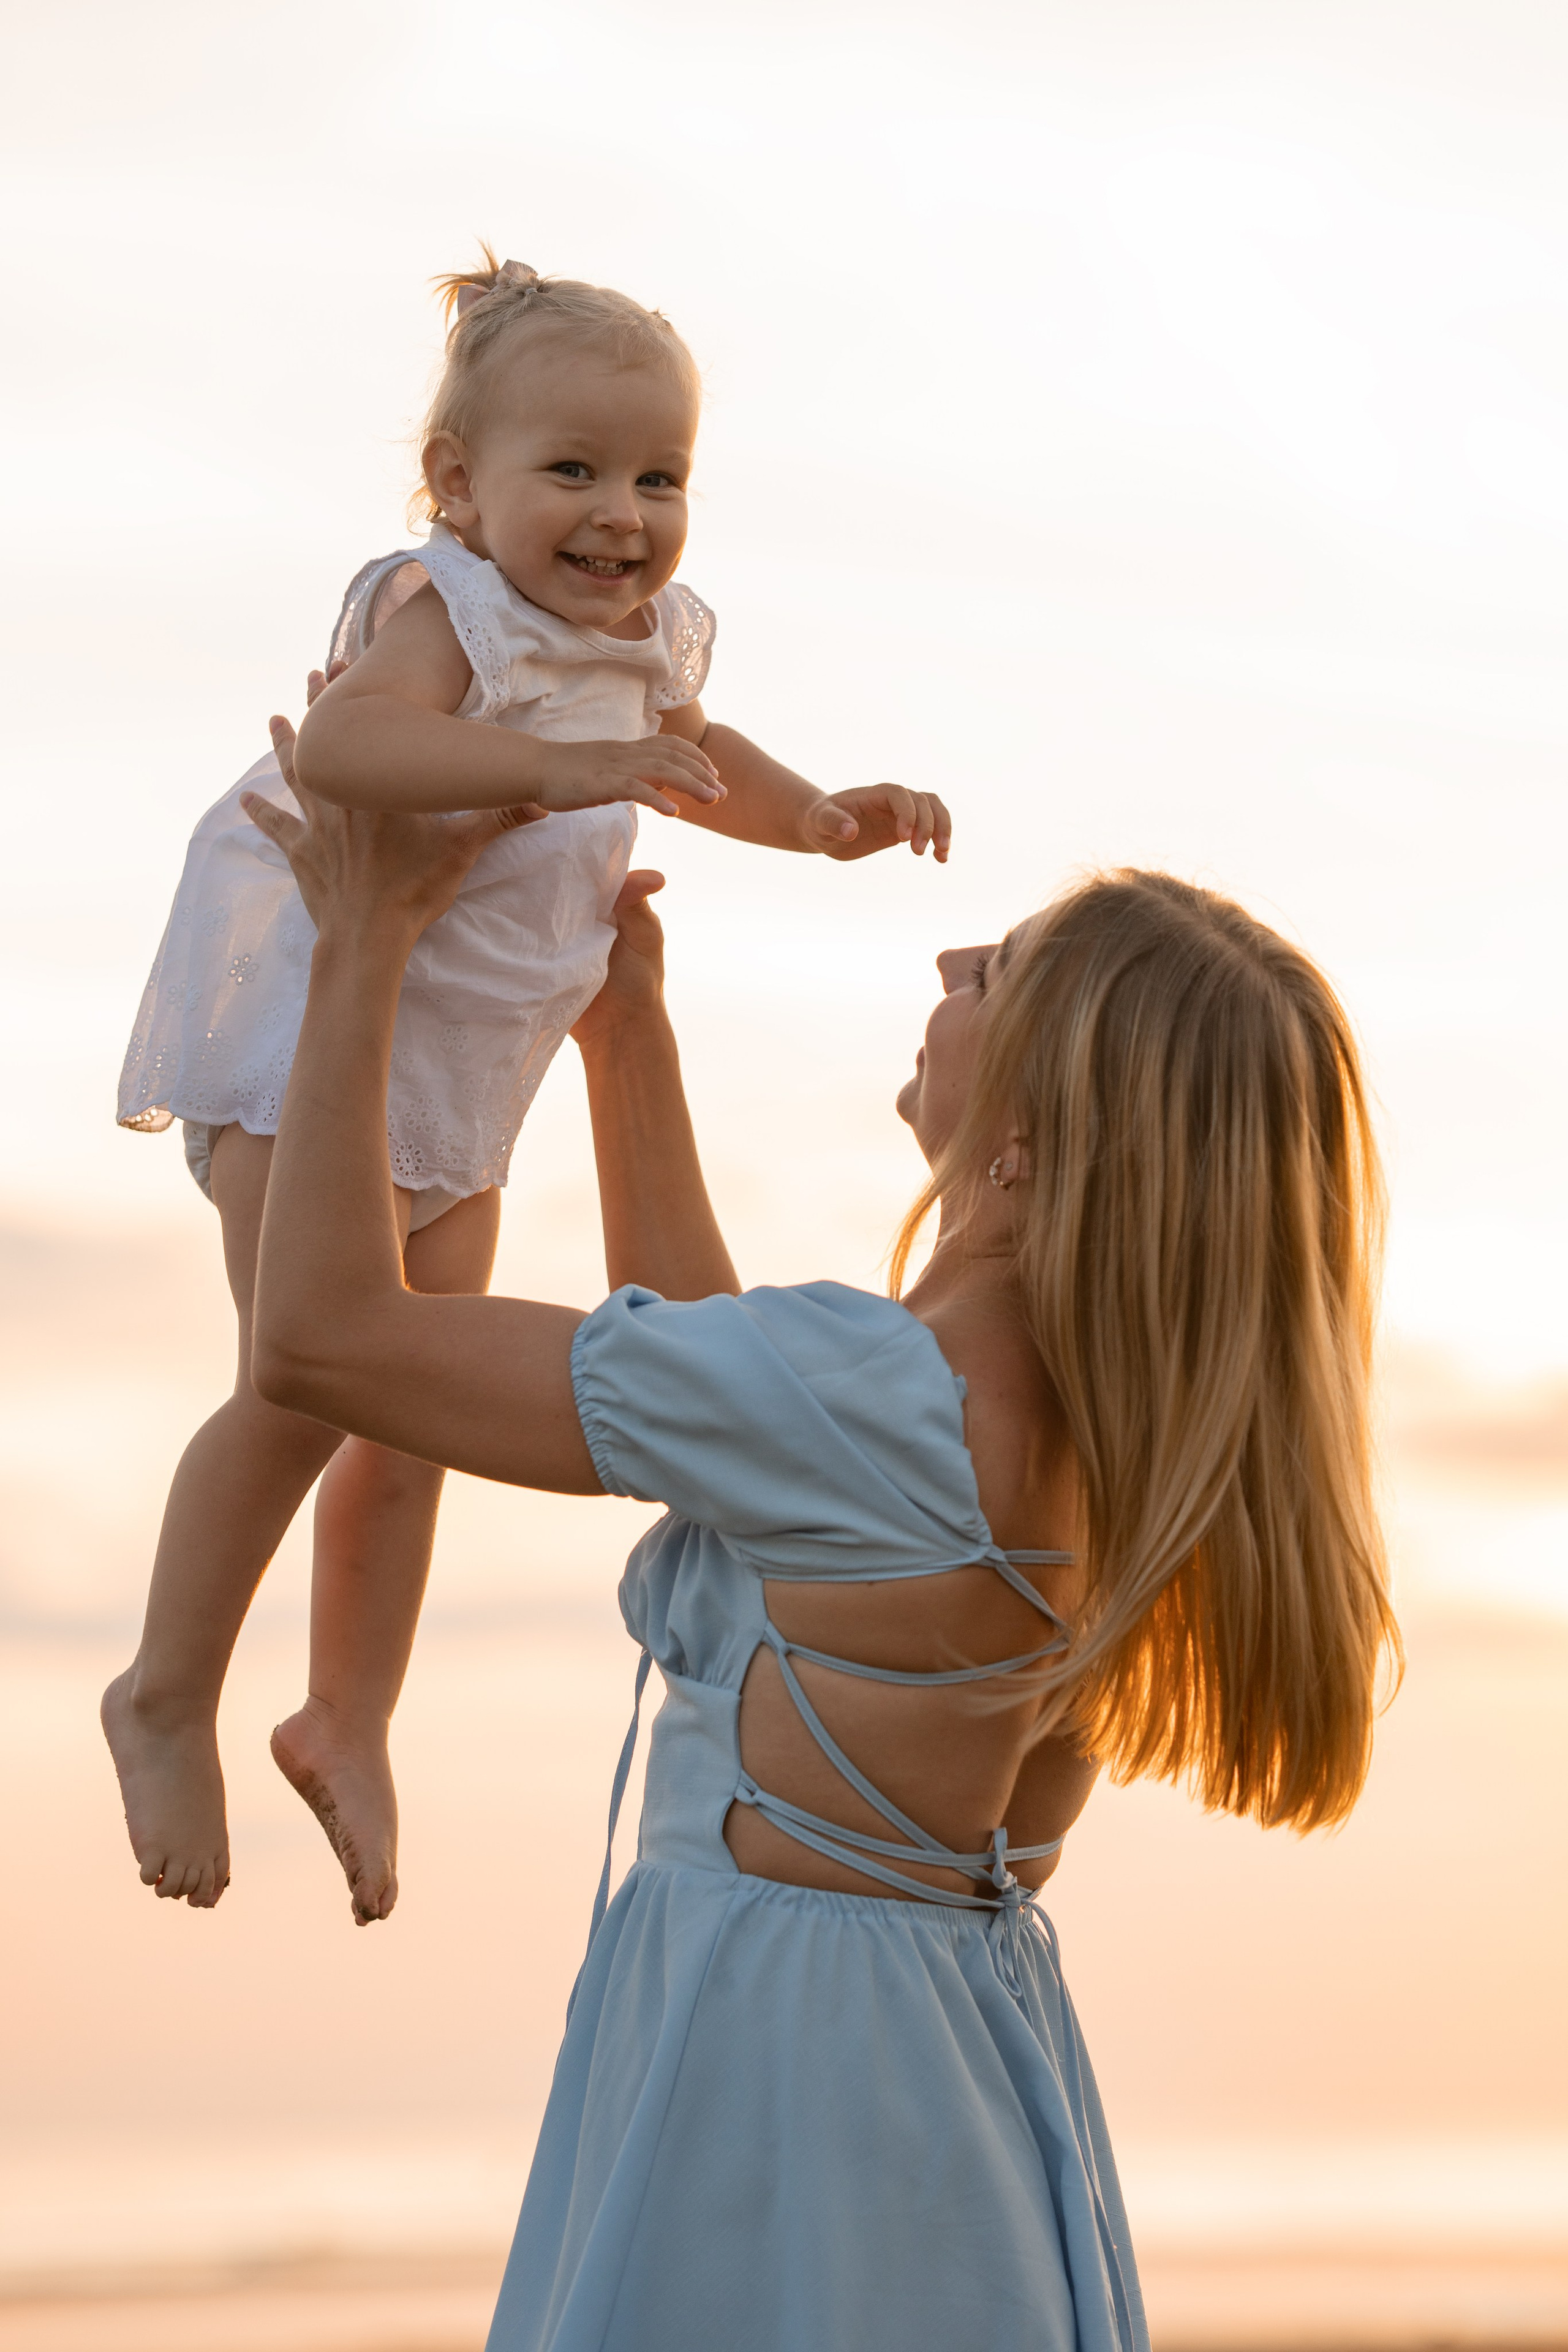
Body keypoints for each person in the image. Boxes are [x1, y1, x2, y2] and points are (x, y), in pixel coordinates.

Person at [233, 718, 1398, 2352]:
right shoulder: (1109, 1443)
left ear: (1034, 1137)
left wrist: (364, 936)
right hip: (950, 2094)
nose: (952, 947)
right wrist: (627, 1039)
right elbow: (736, 1422)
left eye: (1003, 970)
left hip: (772, 2097)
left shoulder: (876, 1396)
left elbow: (326, 1340)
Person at [104, 253, 949, 1924]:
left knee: (411, 1413)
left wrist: (821, 821)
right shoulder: (447, 613)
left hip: (470, 1070)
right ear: (456, 489)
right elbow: (347, 749)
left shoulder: (639, 641)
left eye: (659, 477)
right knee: (298, 1387)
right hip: (314, 1049)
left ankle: (350, 1715)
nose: (620, 514)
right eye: (572, 469)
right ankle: (164, 1690)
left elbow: (702, 758)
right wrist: (561, 768)